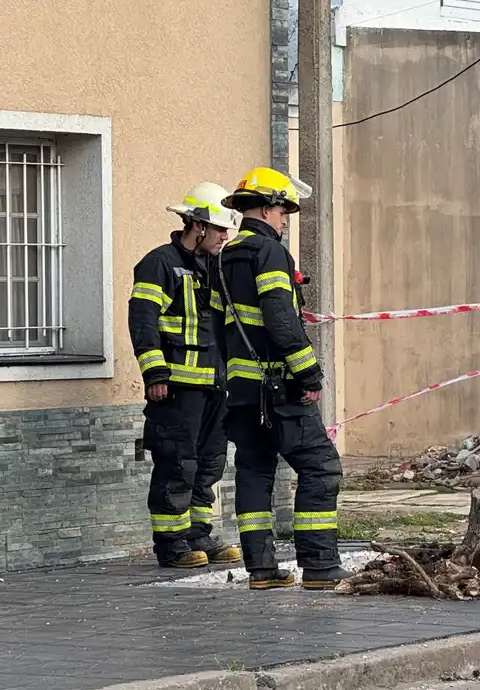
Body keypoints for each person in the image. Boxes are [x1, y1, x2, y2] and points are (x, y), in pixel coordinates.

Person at [216, 167, 350, 591]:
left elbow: (221, 326)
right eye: (283, 210)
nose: (285, 219)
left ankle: (262, 570)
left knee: (254, 471)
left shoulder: (224, 256)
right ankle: (321, 566)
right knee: (321, 467)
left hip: (239, 390)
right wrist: (308, 372)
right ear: (267, 207)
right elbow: (280, 318)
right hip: (277, 387)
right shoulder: (270, 253)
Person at [129, 183, 241, 569]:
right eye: (219, 230)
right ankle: (171, 544)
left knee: (209, 464)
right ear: (197, 225)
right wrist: (154, 372)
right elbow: (143, 321)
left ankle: (198, 535)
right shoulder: (158, 263)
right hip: (176, 387)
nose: (225, 237)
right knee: (177, 463)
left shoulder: (217, 267)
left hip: (215, 385)